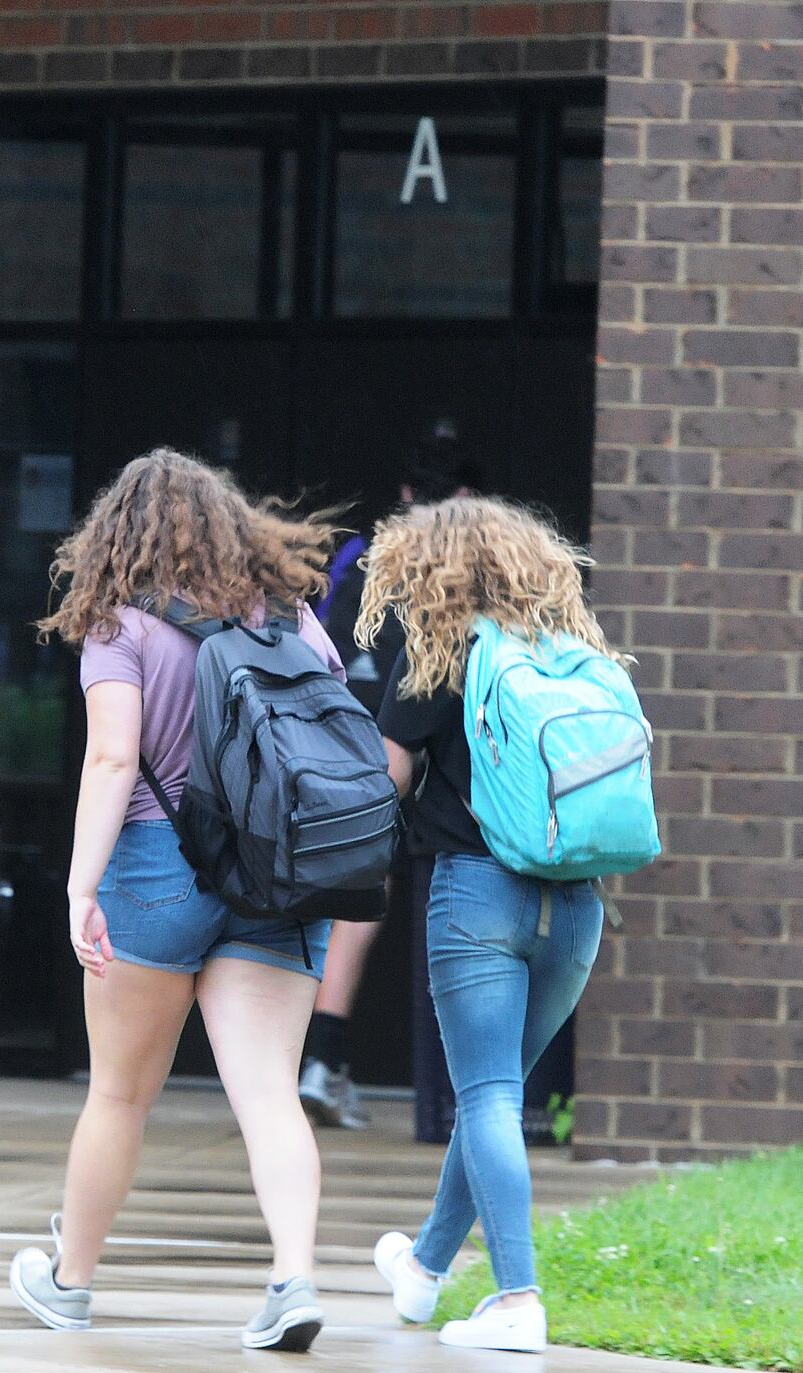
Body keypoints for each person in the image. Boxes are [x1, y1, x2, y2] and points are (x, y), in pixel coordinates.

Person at [13, 448, 346, 1350]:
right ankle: (293, 1276)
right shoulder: (297, 623)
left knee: (119, 1094)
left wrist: (81, 884)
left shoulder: (120, 624)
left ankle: (70, 1281)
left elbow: (113, 759)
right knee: (270, 1091)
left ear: (115, 533)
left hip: (158, 863)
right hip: (276, 872)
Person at [356, 497, 612, 1354]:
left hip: (477, 894)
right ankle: (426, 1272)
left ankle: (515, 1296)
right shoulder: (578, 653)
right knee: (491, 1093)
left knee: (489, 1095)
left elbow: (385, 778)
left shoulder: (444, 651)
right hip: (575, 905)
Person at [299, 442, 482, 1132]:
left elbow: (319, 647)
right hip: (421, 765)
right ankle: (451, 1085)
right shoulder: (467, 571)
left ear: (406, 491)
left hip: (341, 749)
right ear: (467, 499)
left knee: (342, 904)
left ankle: (319, 1056)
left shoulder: (363, 561)